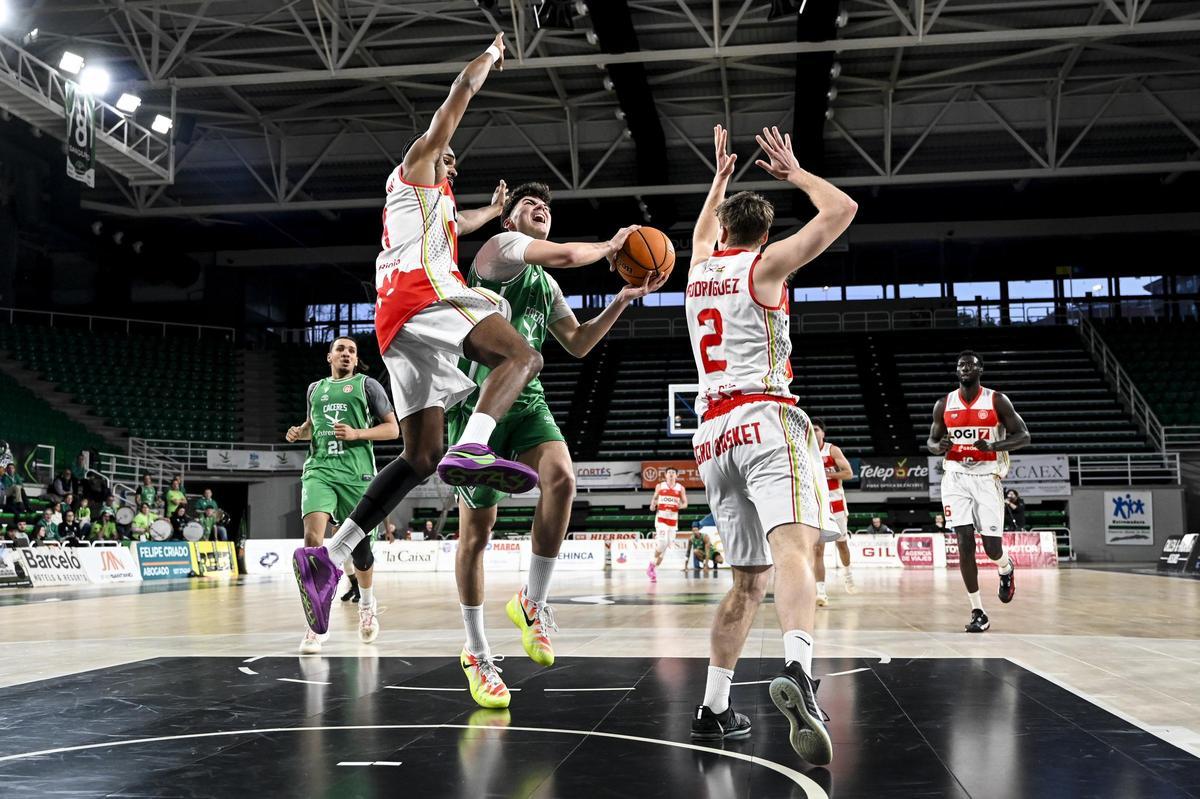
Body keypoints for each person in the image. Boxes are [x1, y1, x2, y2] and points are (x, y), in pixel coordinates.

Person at [292, 33, 551, 639]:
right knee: (521, 355)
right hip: (423, 295)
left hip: (396, 328)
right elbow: (454, 103)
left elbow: (457, 222)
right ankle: (478, 443)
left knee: (419, 455)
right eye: (446, 155)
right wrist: (486, 60)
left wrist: (489, 211)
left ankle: (329, 559)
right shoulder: (411, 169)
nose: (450, 159)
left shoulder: (430, 208)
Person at [684, 124, 856, 765]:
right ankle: (800, 671)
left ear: (724, 231)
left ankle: (713, 707)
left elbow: (702, 234)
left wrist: (718, 180)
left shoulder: (701, 265)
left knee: (745, 581)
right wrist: (796, 171)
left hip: (711, 437)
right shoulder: (766, 265)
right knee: (796, 548)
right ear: (763, 234)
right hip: (766, 417)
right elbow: (843, 210)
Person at [448, 180, 655, 706]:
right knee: (477, 534)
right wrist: (611, 246)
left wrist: (621, 300)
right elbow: (566, 254)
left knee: (562, 477)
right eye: (529, 204)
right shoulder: (499, 253)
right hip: (479, 401)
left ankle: (532, 602)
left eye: (546, 206)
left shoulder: (544, 284)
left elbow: (578, 343)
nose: (541, 208)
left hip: (529, 399)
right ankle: (476, 652)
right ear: (509, 220)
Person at [286, 335, 399, 653]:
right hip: (319, 471)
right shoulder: (315, 389)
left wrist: (357, 433)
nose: (347, 354)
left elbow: (393, 429)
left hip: (357, 476)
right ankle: (316, 625)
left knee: (361, 554)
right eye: (341, 349)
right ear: (329, 356)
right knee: (312, 541)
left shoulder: (367, 386)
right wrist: (300, 431)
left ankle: (366, 606)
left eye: (352, 350)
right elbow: (313, 425)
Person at [927, 350, 1031, 633]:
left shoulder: (996, 400)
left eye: (971, 365)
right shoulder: (944, 403)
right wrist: (939, 448)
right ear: (956, 370)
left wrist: (994, 447)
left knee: (991, 548)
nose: (965, 368)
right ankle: (978, 610)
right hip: (955, 478)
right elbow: (932, 441)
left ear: (980, 369)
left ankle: (1005, 567)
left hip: (987, 478)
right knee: (963, 542)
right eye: (961, 365)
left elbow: (1024, 436)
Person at [812, 419, 855, 606]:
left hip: (836, 503)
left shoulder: (832, 450)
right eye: (811, 430)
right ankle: (821, 592)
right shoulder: (803, 451)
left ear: (823, 433)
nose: (813, 433)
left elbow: (848, 473)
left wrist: (826, 474)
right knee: (817, 549)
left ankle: (848, 574)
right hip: (817, 504)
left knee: (842, 545)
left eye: (816, 430)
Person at [648, 468, 688, 582]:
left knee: (666, 548)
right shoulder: (660, 486)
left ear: (676, 476)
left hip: (673, 522)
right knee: (662, 542)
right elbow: (655, 498)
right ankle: (651, 565)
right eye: (669, 473)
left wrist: (678, 506)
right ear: (665, 475)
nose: (671, 474)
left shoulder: (680, 488)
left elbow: (685, 504)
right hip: (661, 519)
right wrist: (652, 505)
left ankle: (653, 568)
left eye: (673, 473)